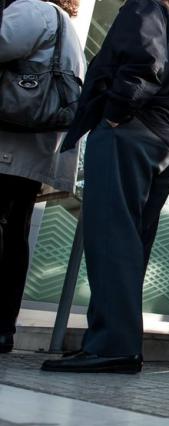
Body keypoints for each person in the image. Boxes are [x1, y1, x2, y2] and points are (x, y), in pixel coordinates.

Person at [41, 0, 169, 373]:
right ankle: (113, 341)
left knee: (110, 235)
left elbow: (144, 61)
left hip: (132, 130)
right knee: (128, 242)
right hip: (164, 139)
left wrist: (114, 115)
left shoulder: (144, 6)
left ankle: (112, 345)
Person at [0, 0, 85, 354]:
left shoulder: (34, 10)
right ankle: (4, 327)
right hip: (31, 149)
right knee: (15, 232)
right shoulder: (67, 27)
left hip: (10, 144)